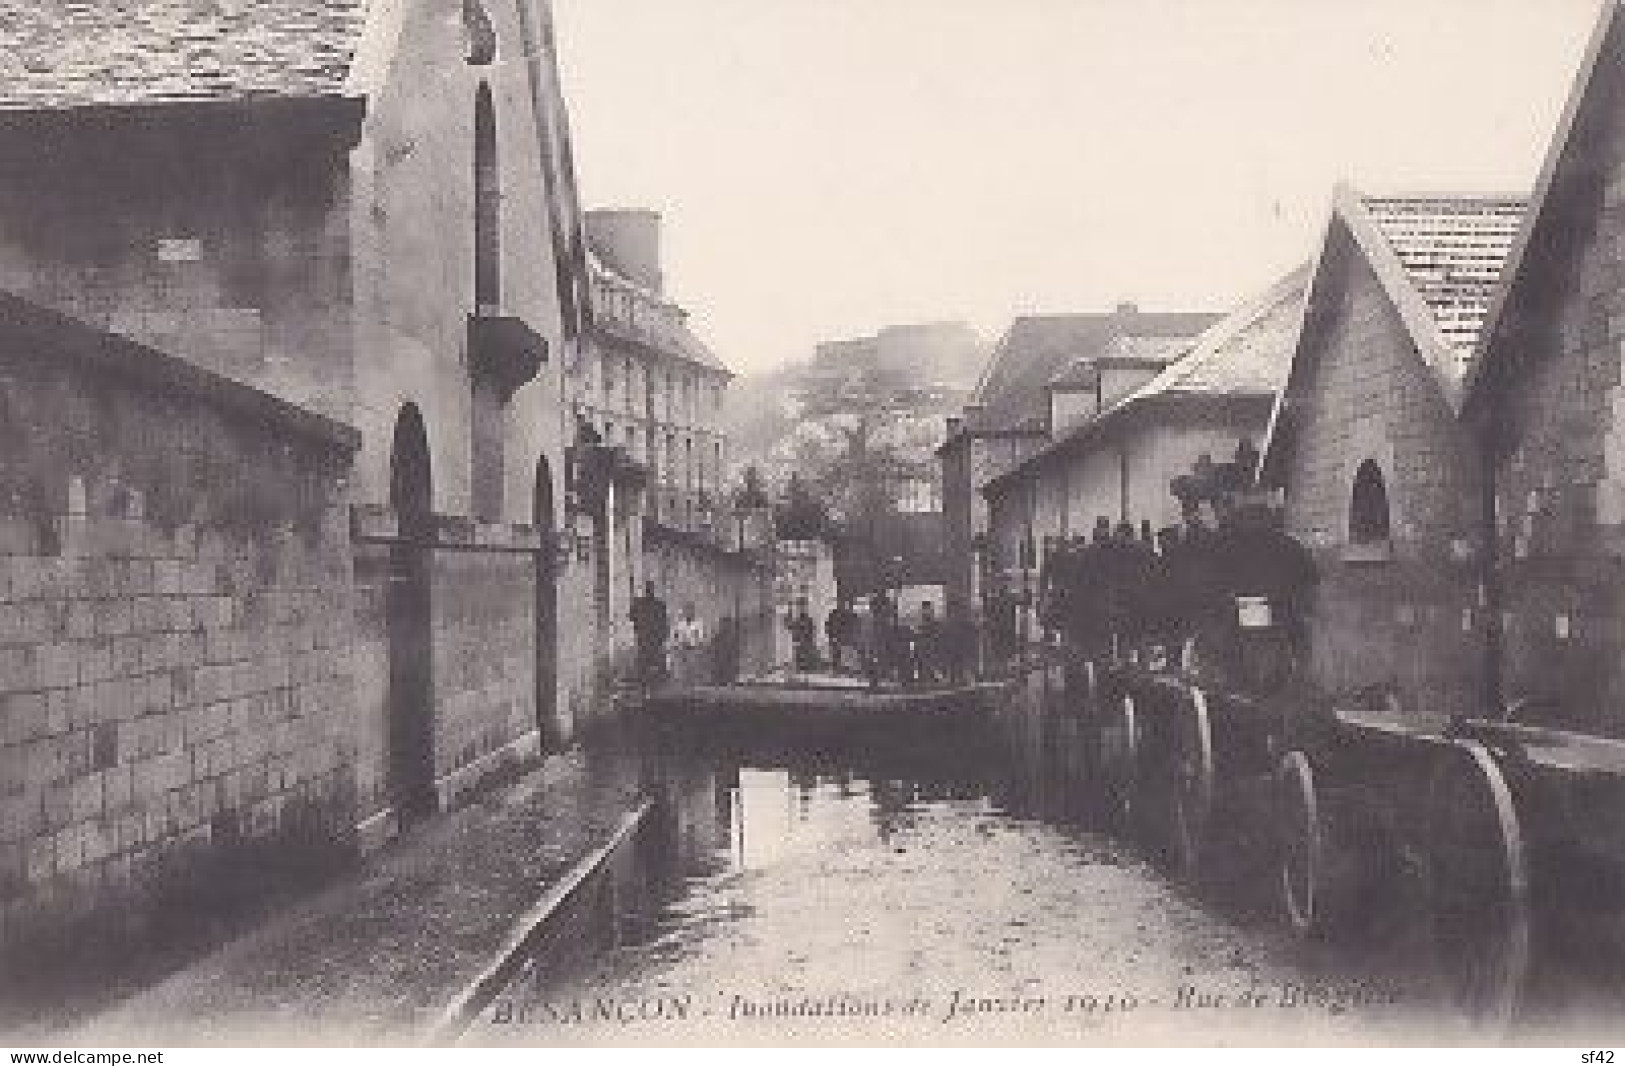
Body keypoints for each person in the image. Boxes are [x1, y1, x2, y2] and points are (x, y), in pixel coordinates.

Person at [630, 581, 670, 686]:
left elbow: (664, 623)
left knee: (652, 665)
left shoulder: (651, 605)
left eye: (649, 589)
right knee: (646, 667)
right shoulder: (652, 605)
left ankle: (654, 685)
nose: (649, 592)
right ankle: (649, 685)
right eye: (648, 589)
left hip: (651, 641)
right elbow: (633, 618)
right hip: (648, 641)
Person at [672, 602, 707, 683]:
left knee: (692, 667)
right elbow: (675, 635)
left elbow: (700, 637)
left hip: (693, 648)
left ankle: (693, 684)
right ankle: (682, 683)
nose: (688, 613)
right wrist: (678, 644)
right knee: (682, 667)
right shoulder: (680, 624)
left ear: (693, 612)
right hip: (682, 649)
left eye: (690, 611)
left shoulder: (698, 624)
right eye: (687, 611)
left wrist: (696, 644)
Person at [914, 601, 944, 685]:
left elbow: (937, 634)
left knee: (930, 657)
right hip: (925, 646)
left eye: (928, 610)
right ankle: (925, 676)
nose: (926, 613)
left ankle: (933, 675)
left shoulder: (935, 624)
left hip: (932, 646)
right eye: (924, 610)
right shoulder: (921, 624)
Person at [826, 599, 858, 673]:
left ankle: (844, 668)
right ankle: (836, 668)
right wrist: (830, 635)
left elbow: (850, 627)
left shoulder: (851, 615)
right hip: (835, 636)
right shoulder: (834, 614)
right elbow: (828, 625)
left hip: (844, 637)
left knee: (845, 653)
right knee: (835, 653)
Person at [788, 599, 819, 672]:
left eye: (803, 606)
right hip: (800, 644)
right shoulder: (797, 621)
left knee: (806, 663)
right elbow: (792, 629)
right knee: (800, 663)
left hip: (806, 644)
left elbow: (811, 632)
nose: (801, 609)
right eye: (800, 607)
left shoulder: (809, 620)